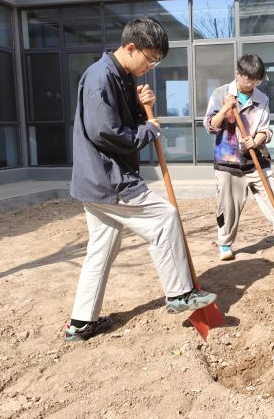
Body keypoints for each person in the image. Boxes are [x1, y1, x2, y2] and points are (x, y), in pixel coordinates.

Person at [66, 18, 217, 342]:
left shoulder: (119, 76)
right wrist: (148, 130)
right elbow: (103, 131)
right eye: (149, 59)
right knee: (164, 218)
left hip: (95, 181)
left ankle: (81, 322)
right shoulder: (100, 77)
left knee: (102, 248)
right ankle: (180, 295)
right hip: (107, 178)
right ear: (130, 47)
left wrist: (139, 106)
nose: (150, 66)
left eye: (156, 62)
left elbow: (119, 120)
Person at [203, 54, 274, 261]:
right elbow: (210, 126)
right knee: (228, 205)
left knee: (272, 196)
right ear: (238, 74)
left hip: (256, 157)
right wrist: (225, 108)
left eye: (256, 80)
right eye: (248, 79)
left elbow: (265, 130)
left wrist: (256, 140)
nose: (251, 84)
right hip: (228, 161)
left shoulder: (262, 99)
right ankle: (225, 243)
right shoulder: (220, 93)